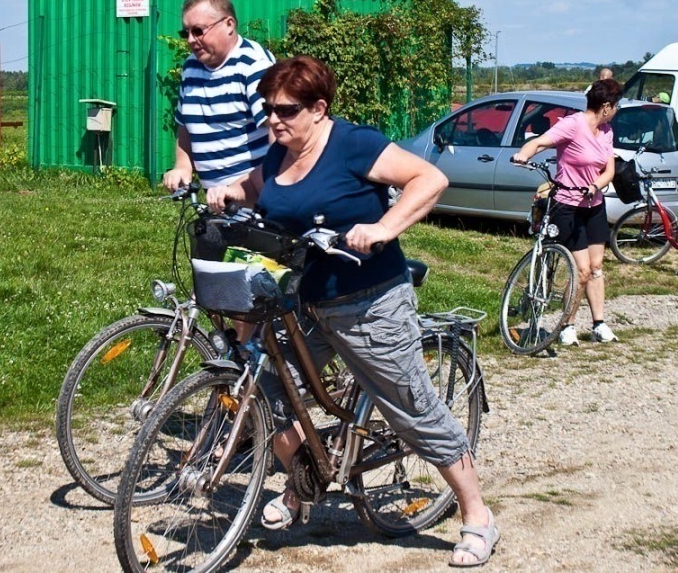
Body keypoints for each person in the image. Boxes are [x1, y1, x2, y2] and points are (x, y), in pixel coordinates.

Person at [207, 55, 499, 568]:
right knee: (270, 391)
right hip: (307, 305)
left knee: (411, 410)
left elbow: (428, 180)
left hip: (371, 305)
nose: (274, 119)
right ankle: (306, 480)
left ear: (319, 108)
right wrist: (229, 191)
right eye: (268, 109)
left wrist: (385, 228)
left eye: (287, 110)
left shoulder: (352, 144)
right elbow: (258, 190)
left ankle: (477, 515)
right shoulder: (279, 153)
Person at [511, 79, 624, 345]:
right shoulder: (573, 124)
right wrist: (523, 155)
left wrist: (595, 185)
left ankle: (598, 324)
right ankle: (566, 325)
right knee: (581, 270)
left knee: (596, 267)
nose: (616, 110)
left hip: (593, 204)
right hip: (567, 205)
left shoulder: (606, 131)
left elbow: (609, 170)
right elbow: (539, 143)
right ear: (605, 106)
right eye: (616, 105)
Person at [162, 0, 276, 192]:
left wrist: (250, 189)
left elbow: (280, 131)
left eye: (198, 31)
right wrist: (183, 166)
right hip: (216, 200)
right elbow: (184, 125)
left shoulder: (253, 66)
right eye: (185, 32)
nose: (190, 40)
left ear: (229, 25)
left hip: (255, 199)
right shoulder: (191, 67)